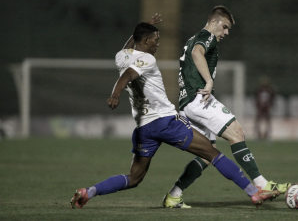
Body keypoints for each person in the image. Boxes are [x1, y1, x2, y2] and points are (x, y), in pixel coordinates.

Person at [70, 20, 279, 209]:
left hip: (144, 128)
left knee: (134, 178)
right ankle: (254, 193)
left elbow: (127, 54)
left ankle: (88, 193)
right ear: (144, 41)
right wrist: (115, 94)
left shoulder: (121, 56)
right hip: (166, 122)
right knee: (212, 153)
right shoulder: (148, 60)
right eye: (155, 40)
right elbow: (128, 75)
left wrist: (140, 31)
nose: (157, 44)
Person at [163, 6, 290, 208]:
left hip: (187, 103)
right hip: (200, 98)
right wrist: (209, 82)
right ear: (214, 22)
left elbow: (193, 53)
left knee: (207, 153)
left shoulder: (192, 38)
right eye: (224, 27)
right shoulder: (207, 35)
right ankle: (262, 184)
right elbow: (197, 54)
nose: (226, 33)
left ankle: (174, 195)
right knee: (237, 133)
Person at [254, 75, 276, 141]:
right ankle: (258, 135)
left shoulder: (270, 89)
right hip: (260, 108)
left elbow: (273, 99)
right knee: (258, 122)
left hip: (267, 108)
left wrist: (271, 106)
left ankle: (267, 135)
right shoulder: (259, 89)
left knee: (268, 122)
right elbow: (256, 98)